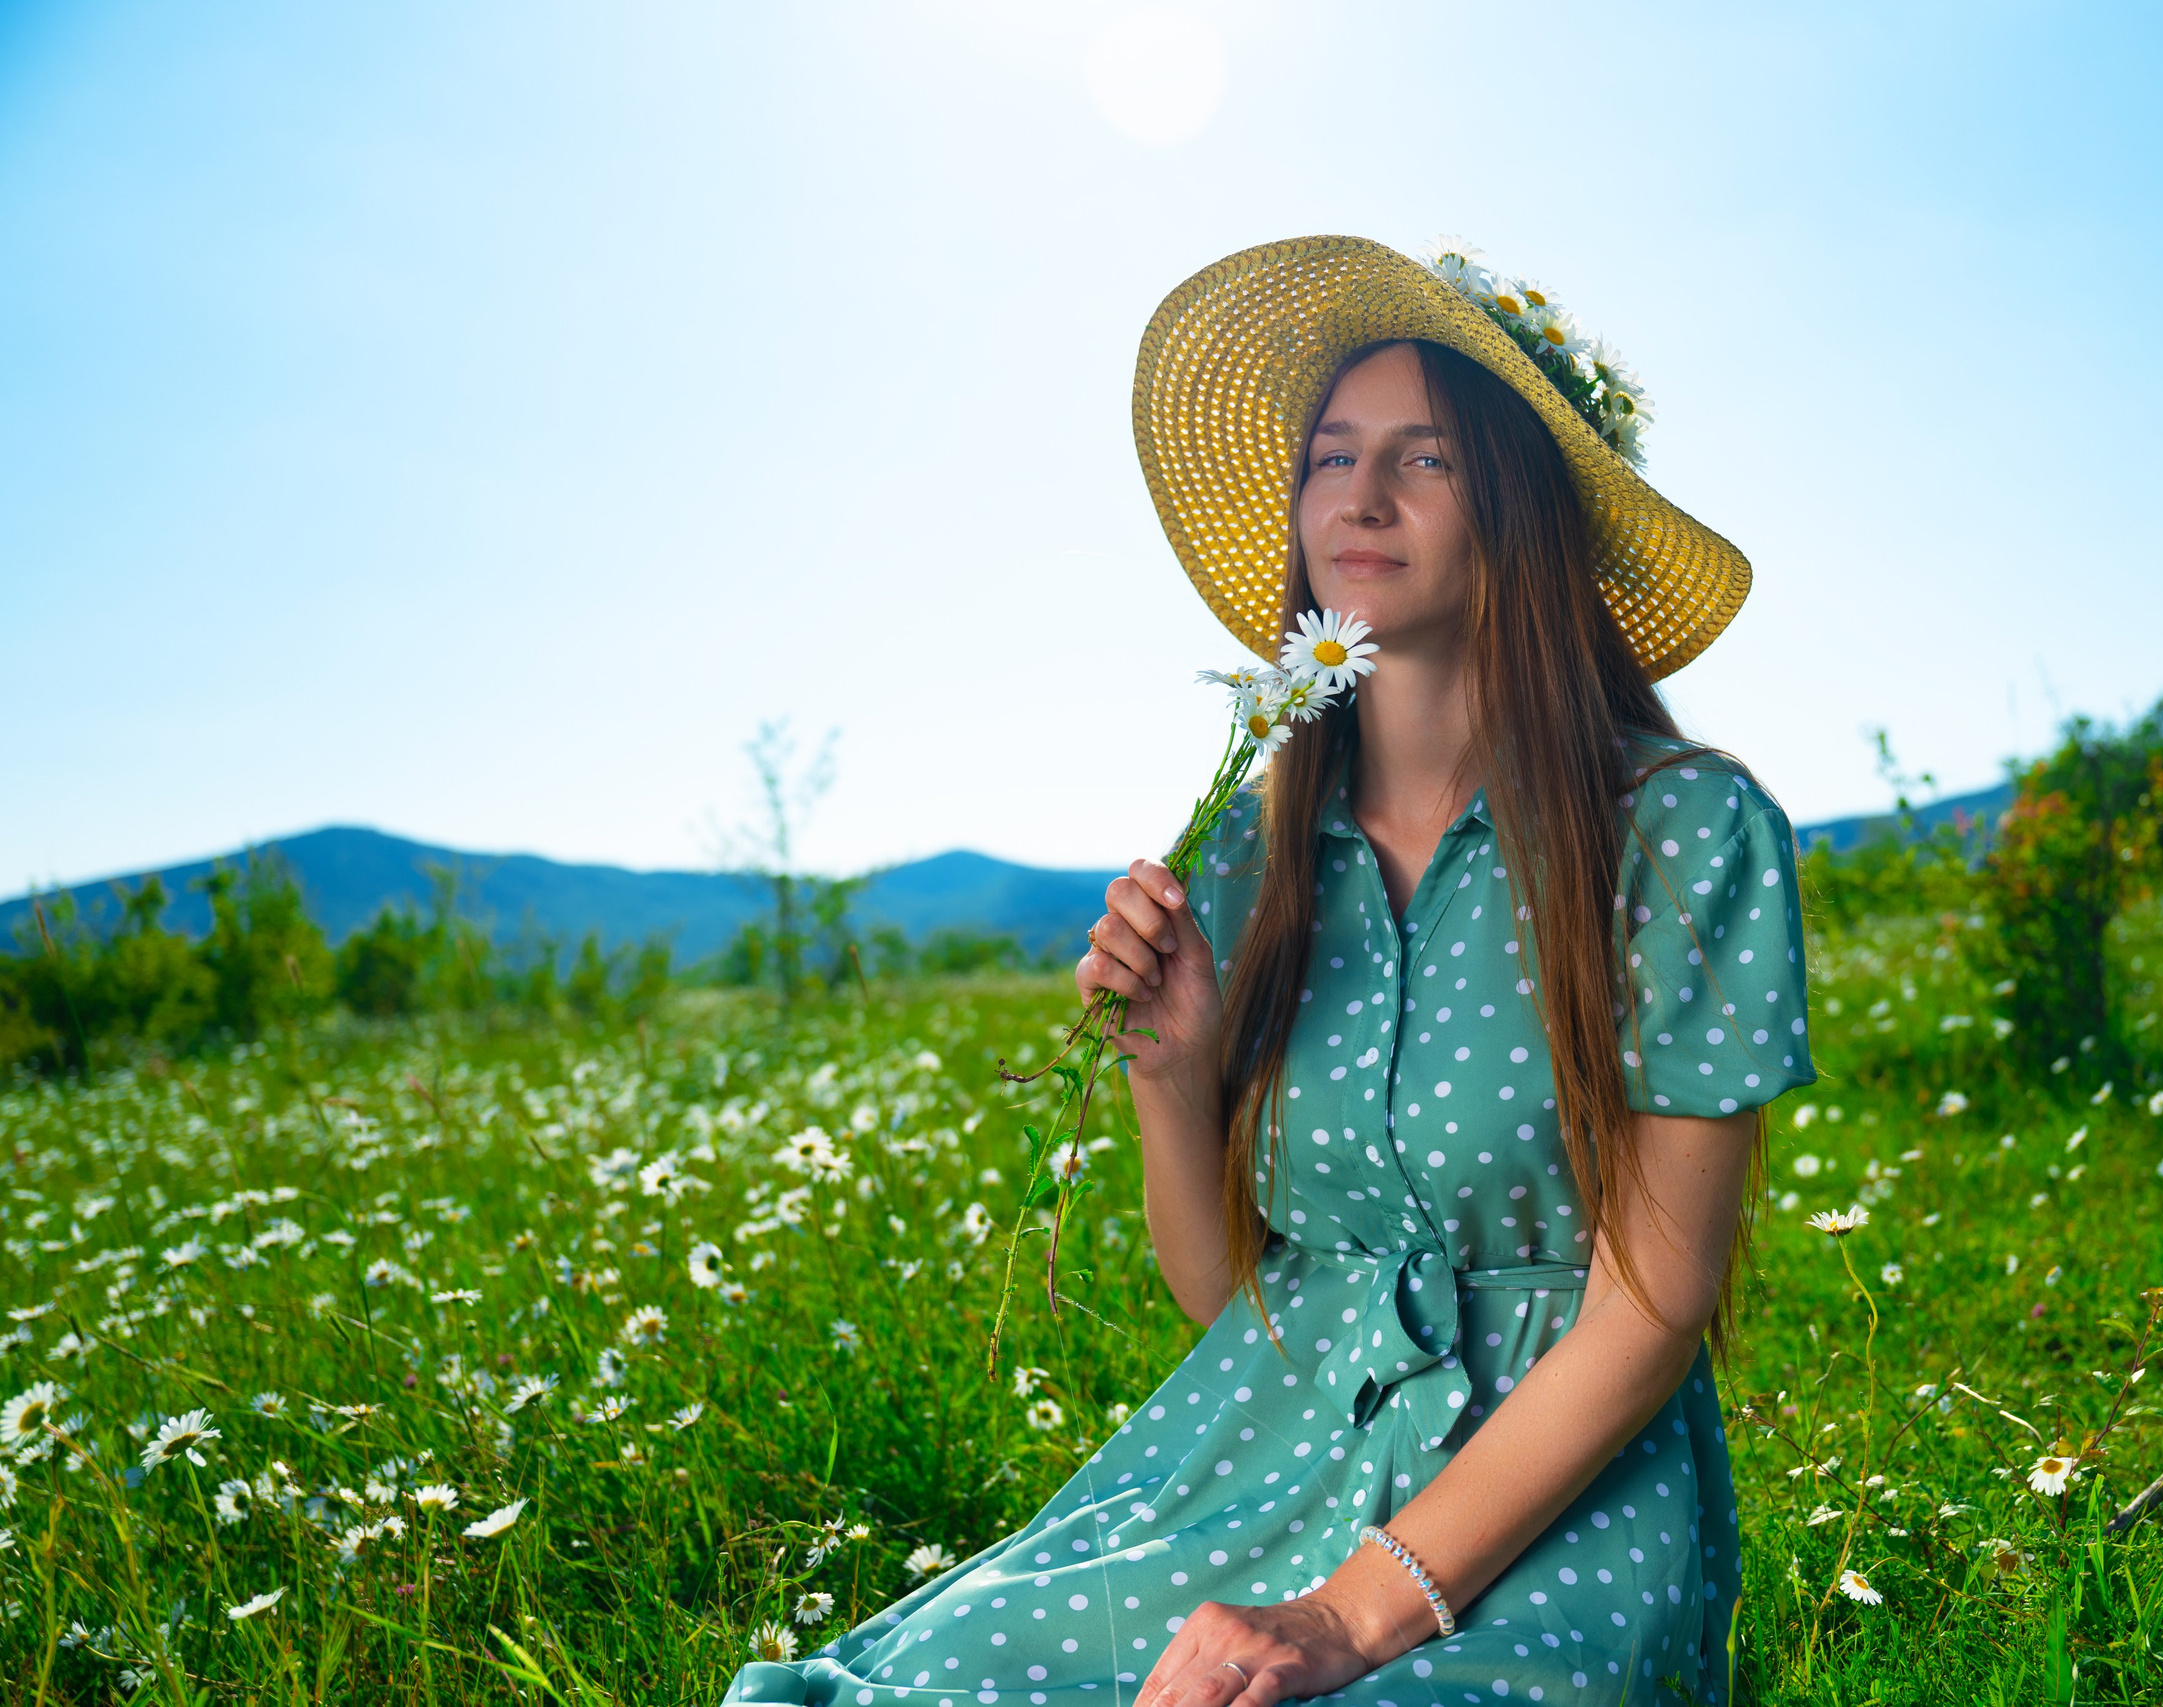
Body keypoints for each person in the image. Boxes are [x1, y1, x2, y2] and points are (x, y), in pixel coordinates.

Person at [720, 236, 1814, 1707]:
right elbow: (1239, 1299)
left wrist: (1352, 1618)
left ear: (1526, 503)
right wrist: (1171, 1084)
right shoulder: (1249, 854)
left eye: (1425, 458)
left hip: (1559, 1510)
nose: (1360, 497)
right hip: (1259, 1465)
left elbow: (1655, 1307)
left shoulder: (1683, 835)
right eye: (1332, 456)